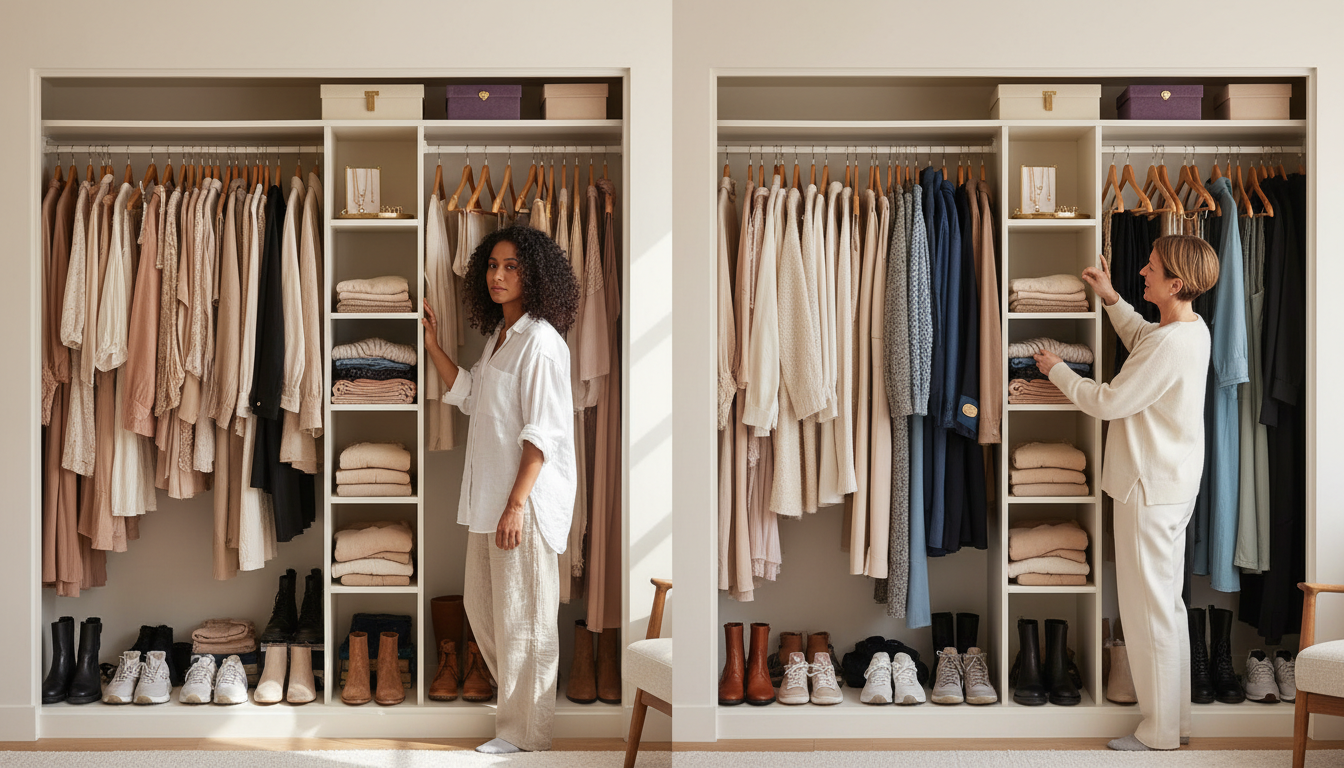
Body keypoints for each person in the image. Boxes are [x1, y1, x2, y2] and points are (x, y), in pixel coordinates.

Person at [1034, 235, 1218, 752]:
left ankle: (1157, 733)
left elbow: (1108, 401)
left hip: (1146, 489)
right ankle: (1175, 723)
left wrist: (1058, 371)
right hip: (1170, 486)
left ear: (1175, 284)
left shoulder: (1169, 344)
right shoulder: (1191, 329)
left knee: (1147, 615)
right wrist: (1112, 298)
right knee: (1168, 609)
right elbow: (1144, 339)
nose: (1143, 271)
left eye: (1152, 268)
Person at [423, 226, 579, 754]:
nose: (498, 275)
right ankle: (521, 714)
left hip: (522, 505)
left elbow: (542, 434)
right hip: (488, 501)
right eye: (492, 265)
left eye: (511, 266)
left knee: (526, 622)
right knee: (485, 610)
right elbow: (470, 396)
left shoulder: (541, 343)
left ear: (534, 275)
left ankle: (525, 734)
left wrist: (516, 506)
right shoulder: (500, 339)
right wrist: (433, 347)